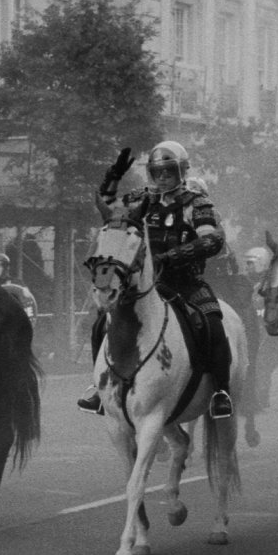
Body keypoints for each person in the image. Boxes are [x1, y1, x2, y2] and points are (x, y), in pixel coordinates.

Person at [79, 141, 233, 418]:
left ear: (181, 172)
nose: (163, 178)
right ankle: (98, 388)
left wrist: (171, 257)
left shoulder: (196, 204)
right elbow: (108, 206)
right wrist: (113, 177)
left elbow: (212, 240)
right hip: (140, 283)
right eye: (157, 172)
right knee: (100, 323)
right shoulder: (139, 199)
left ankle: (220, 392)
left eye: (169, 172)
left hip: (184, 282)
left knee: (213, 324)